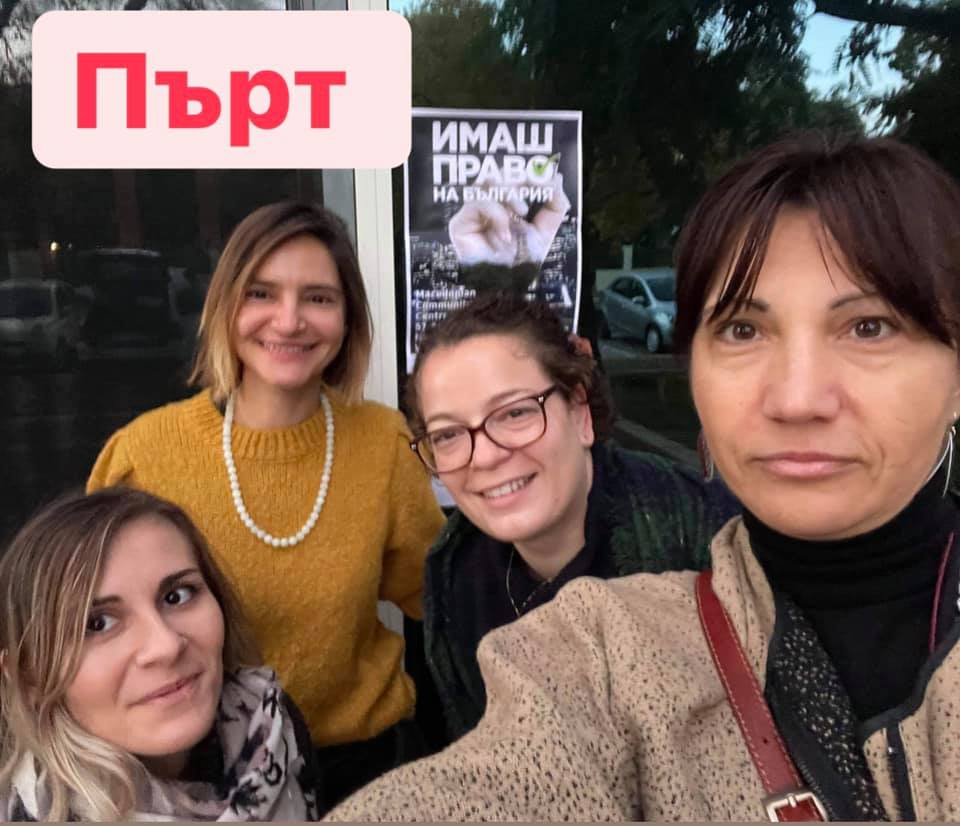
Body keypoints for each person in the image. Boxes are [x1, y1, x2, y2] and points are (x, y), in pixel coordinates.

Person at [326, 132, 960, 821]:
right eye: (744, 330)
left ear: (582, 413)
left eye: (869, 327)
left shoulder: (687, 529)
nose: (797, 398)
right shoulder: (577, 633)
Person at [86, 201, 445, 810]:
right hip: (200, 782)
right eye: (261, 293)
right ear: (226, 305)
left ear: (347, 317)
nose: (289, 320)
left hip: (366, 771)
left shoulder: (385, 444)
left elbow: (440, 594)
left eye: (318, 297)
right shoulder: (143, 455)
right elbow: (86, 629)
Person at [404, 291, 739, 743]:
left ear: (580, 411)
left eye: (515, 412)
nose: (483, 456)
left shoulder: (711, 546)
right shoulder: (455, 573)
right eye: (447, 435)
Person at [0, 487, 320, 822]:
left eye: (177, 596)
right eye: (97, 623)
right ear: (28, 677)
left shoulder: (270, 722)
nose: (166, 646)